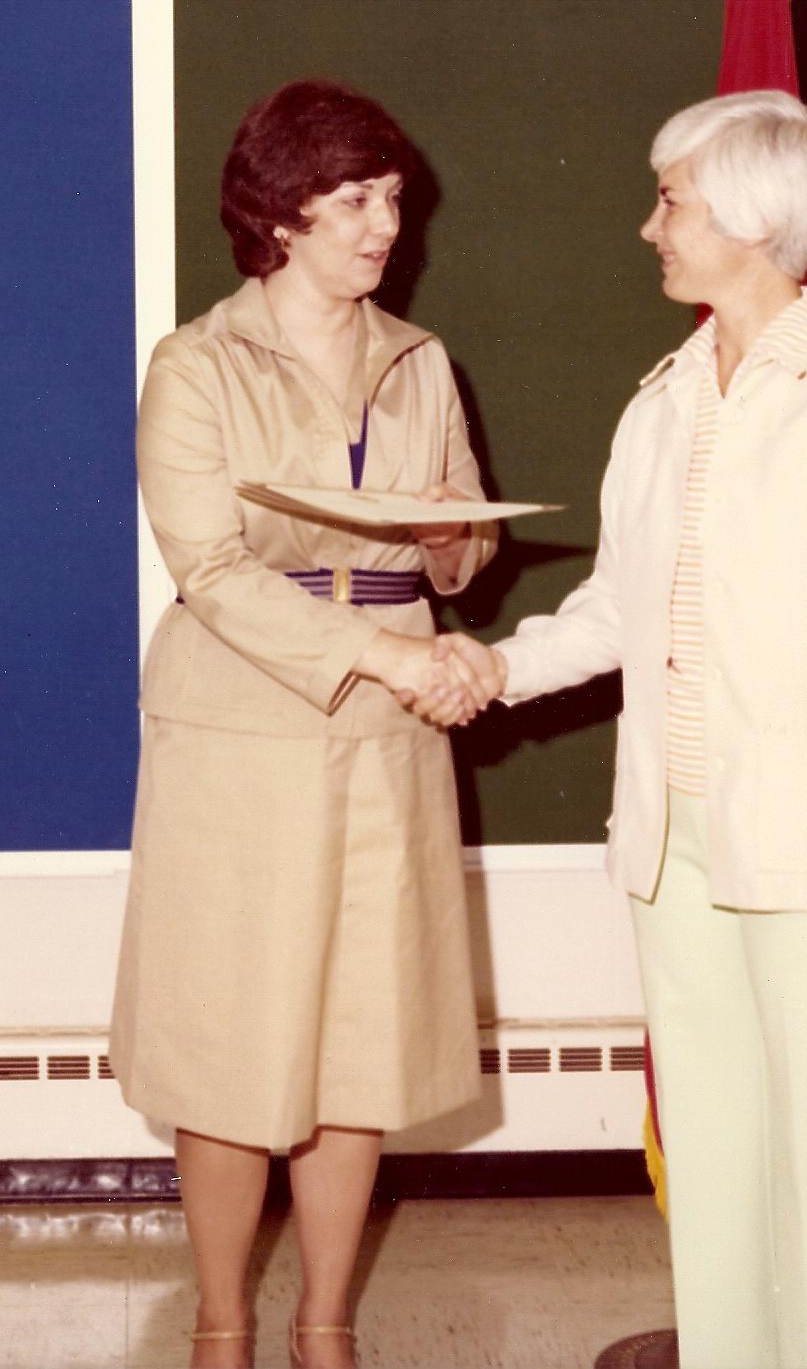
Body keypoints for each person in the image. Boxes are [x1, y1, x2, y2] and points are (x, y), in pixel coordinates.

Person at [459, 90, 807, 1368]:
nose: (649, 228)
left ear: (747, 219)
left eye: (670, 201)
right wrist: (490, 666)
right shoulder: (663, 405)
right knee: (716, 1152)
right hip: (671, 843)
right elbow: (617, 610)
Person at [110, 80, 498, 1369]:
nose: (384, 224)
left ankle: (325, 1320)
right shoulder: (195, 363)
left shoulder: (419, 359)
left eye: (390, 198)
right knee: (229, 1029)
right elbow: (210, 570)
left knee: (358, 1029)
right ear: (280, 214)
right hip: (240, 723)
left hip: (389, 727)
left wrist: (450, 541)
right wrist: (386, 654)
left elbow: (458, 558)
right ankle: (220, 1320)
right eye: (353, 200)